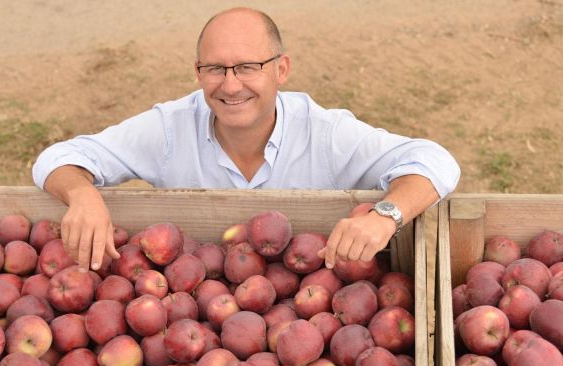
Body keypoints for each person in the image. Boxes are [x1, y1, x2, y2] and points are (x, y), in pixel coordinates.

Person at [32, 7, 460, 272]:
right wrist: (82, 194)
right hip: (193, 300)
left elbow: (435, 161)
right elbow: (59, 157)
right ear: (198, 73)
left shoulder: (324, 132)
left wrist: (386, 215)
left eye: (248, 66)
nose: (231, 86)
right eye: (216, 69)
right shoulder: (169, 128)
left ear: (282, 69)